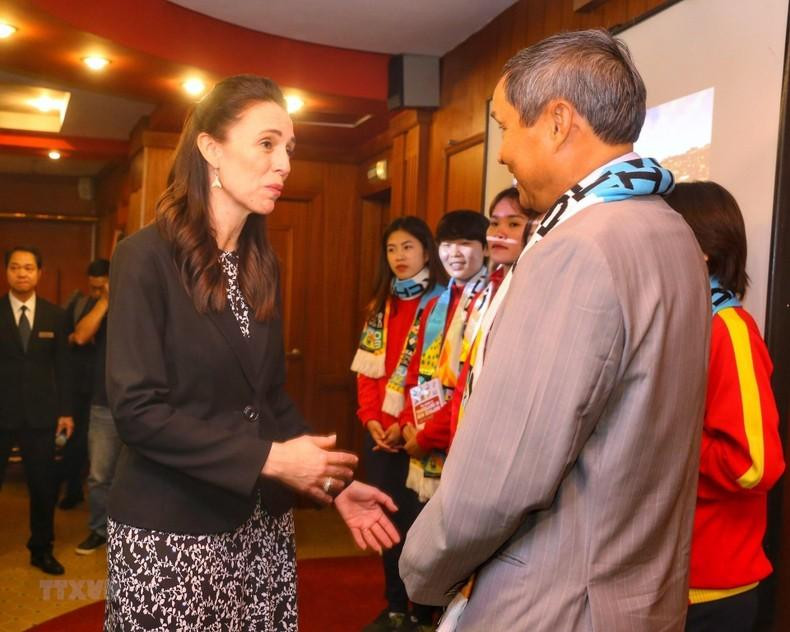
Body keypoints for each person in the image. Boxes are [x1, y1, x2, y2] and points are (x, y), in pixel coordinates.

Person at [400, 29, 711, 630]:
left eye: (505, 124)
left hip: (557, 600)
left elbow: (504, 472)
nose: (502, 151)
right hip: (638, 597)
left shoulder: (581, 248)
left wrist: (424, 572)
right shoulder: (671, 232)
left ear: (558, 121)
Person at [105, 75, 399, 631]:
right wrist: (272, 460)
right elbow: (137, 412)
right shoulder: (144, 258)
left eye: (289, 148)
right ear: (211, 148)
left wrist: (329, 482)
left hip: (261, 528)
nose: (284, 162)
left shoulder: (261, 264)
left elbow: (267, 400)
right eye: (267, 144)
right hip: (174, 530)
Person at [665, 181, 785, 632]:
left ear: (702, 251)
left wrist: (663, 440)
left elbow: (752, 464)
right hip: (669, 577)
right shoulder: (686, 322)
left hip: (711, 588)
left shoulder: (729, 328)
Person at [352, 215, 445, 632]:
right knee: (386, 525)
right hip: (381, 439)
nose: (399, 257)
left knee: (421, 529)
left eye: (408, 247)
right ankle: (394, 606)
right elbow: (367, 373)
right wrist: (371, 419)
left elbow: (435, 379)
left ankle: (423, 610)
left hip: (420, 437)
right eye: (392, 249)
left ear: (427, 251)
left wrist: (406, 424)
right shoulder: (381, 306)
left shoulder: (443, 303)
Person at [400, 209, 489, 501]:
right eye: (446, 244)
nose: (454, 253)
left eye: (464, 243)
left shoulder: (490, 303)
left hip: (461, 441)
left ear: (485, 248)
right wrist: (406, 423)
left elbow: (475, 385)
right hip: (423, 430)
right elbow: (414, 370)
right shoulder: (437, 303)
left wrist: (427, 437)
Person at [0, 246, 74, 575]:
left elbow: (64, 366)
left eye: (28, 267)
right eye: (15, 267)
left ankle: (41, 549)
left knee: (43, 486)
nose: (21, 273)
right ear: (7, 272)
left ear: (39, 273)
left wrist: (66, 412)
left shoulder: (56, 316)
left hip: (43, 416)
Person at [68, 259, 124, 555]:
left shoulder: (144, 302)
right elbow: (80, 336)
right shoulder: (98, 305)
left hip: (143, 406)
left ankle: (128, 535)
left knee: (138, 476)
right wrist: (105, 300)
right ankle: (99, 530)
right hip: (103, 403)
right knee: (100, 475)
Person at [57, 259, 111, 509]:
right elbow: (74, 336)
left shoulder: (126, 303)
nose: (95, 292)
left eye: (101, 288)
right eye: (93, 288)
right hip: (80, 383)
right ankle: (72, 490)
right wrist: (102, 302)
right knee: (75, 441)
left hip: (108, 389)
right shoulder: (83, 303)